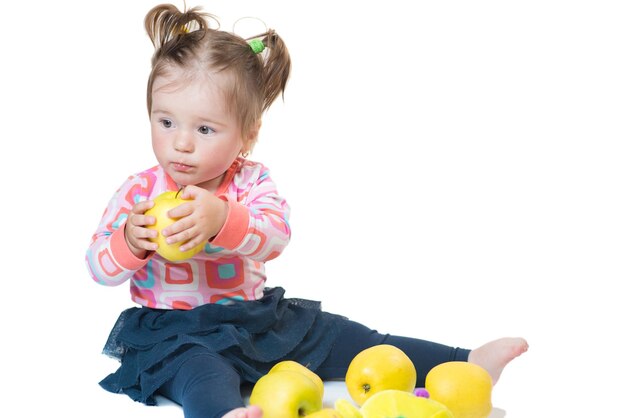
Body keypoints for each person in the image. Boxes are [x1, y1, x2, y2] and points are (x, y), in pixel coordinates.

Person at [86, 4, 528, 418]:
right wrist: (129, 242)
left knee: (351, 339)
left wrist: (223, 219)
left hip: (251, 319)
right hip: (173, 330)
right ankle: (225, 412)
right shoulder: (141, 191)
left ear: (248, 134)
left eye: (204, 128)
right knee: (199, 370)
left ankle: (465, 361)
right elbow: (98, 265)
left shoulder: (250, 182)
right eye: (166, 122)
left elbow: (274, 236)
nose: (181, 143)